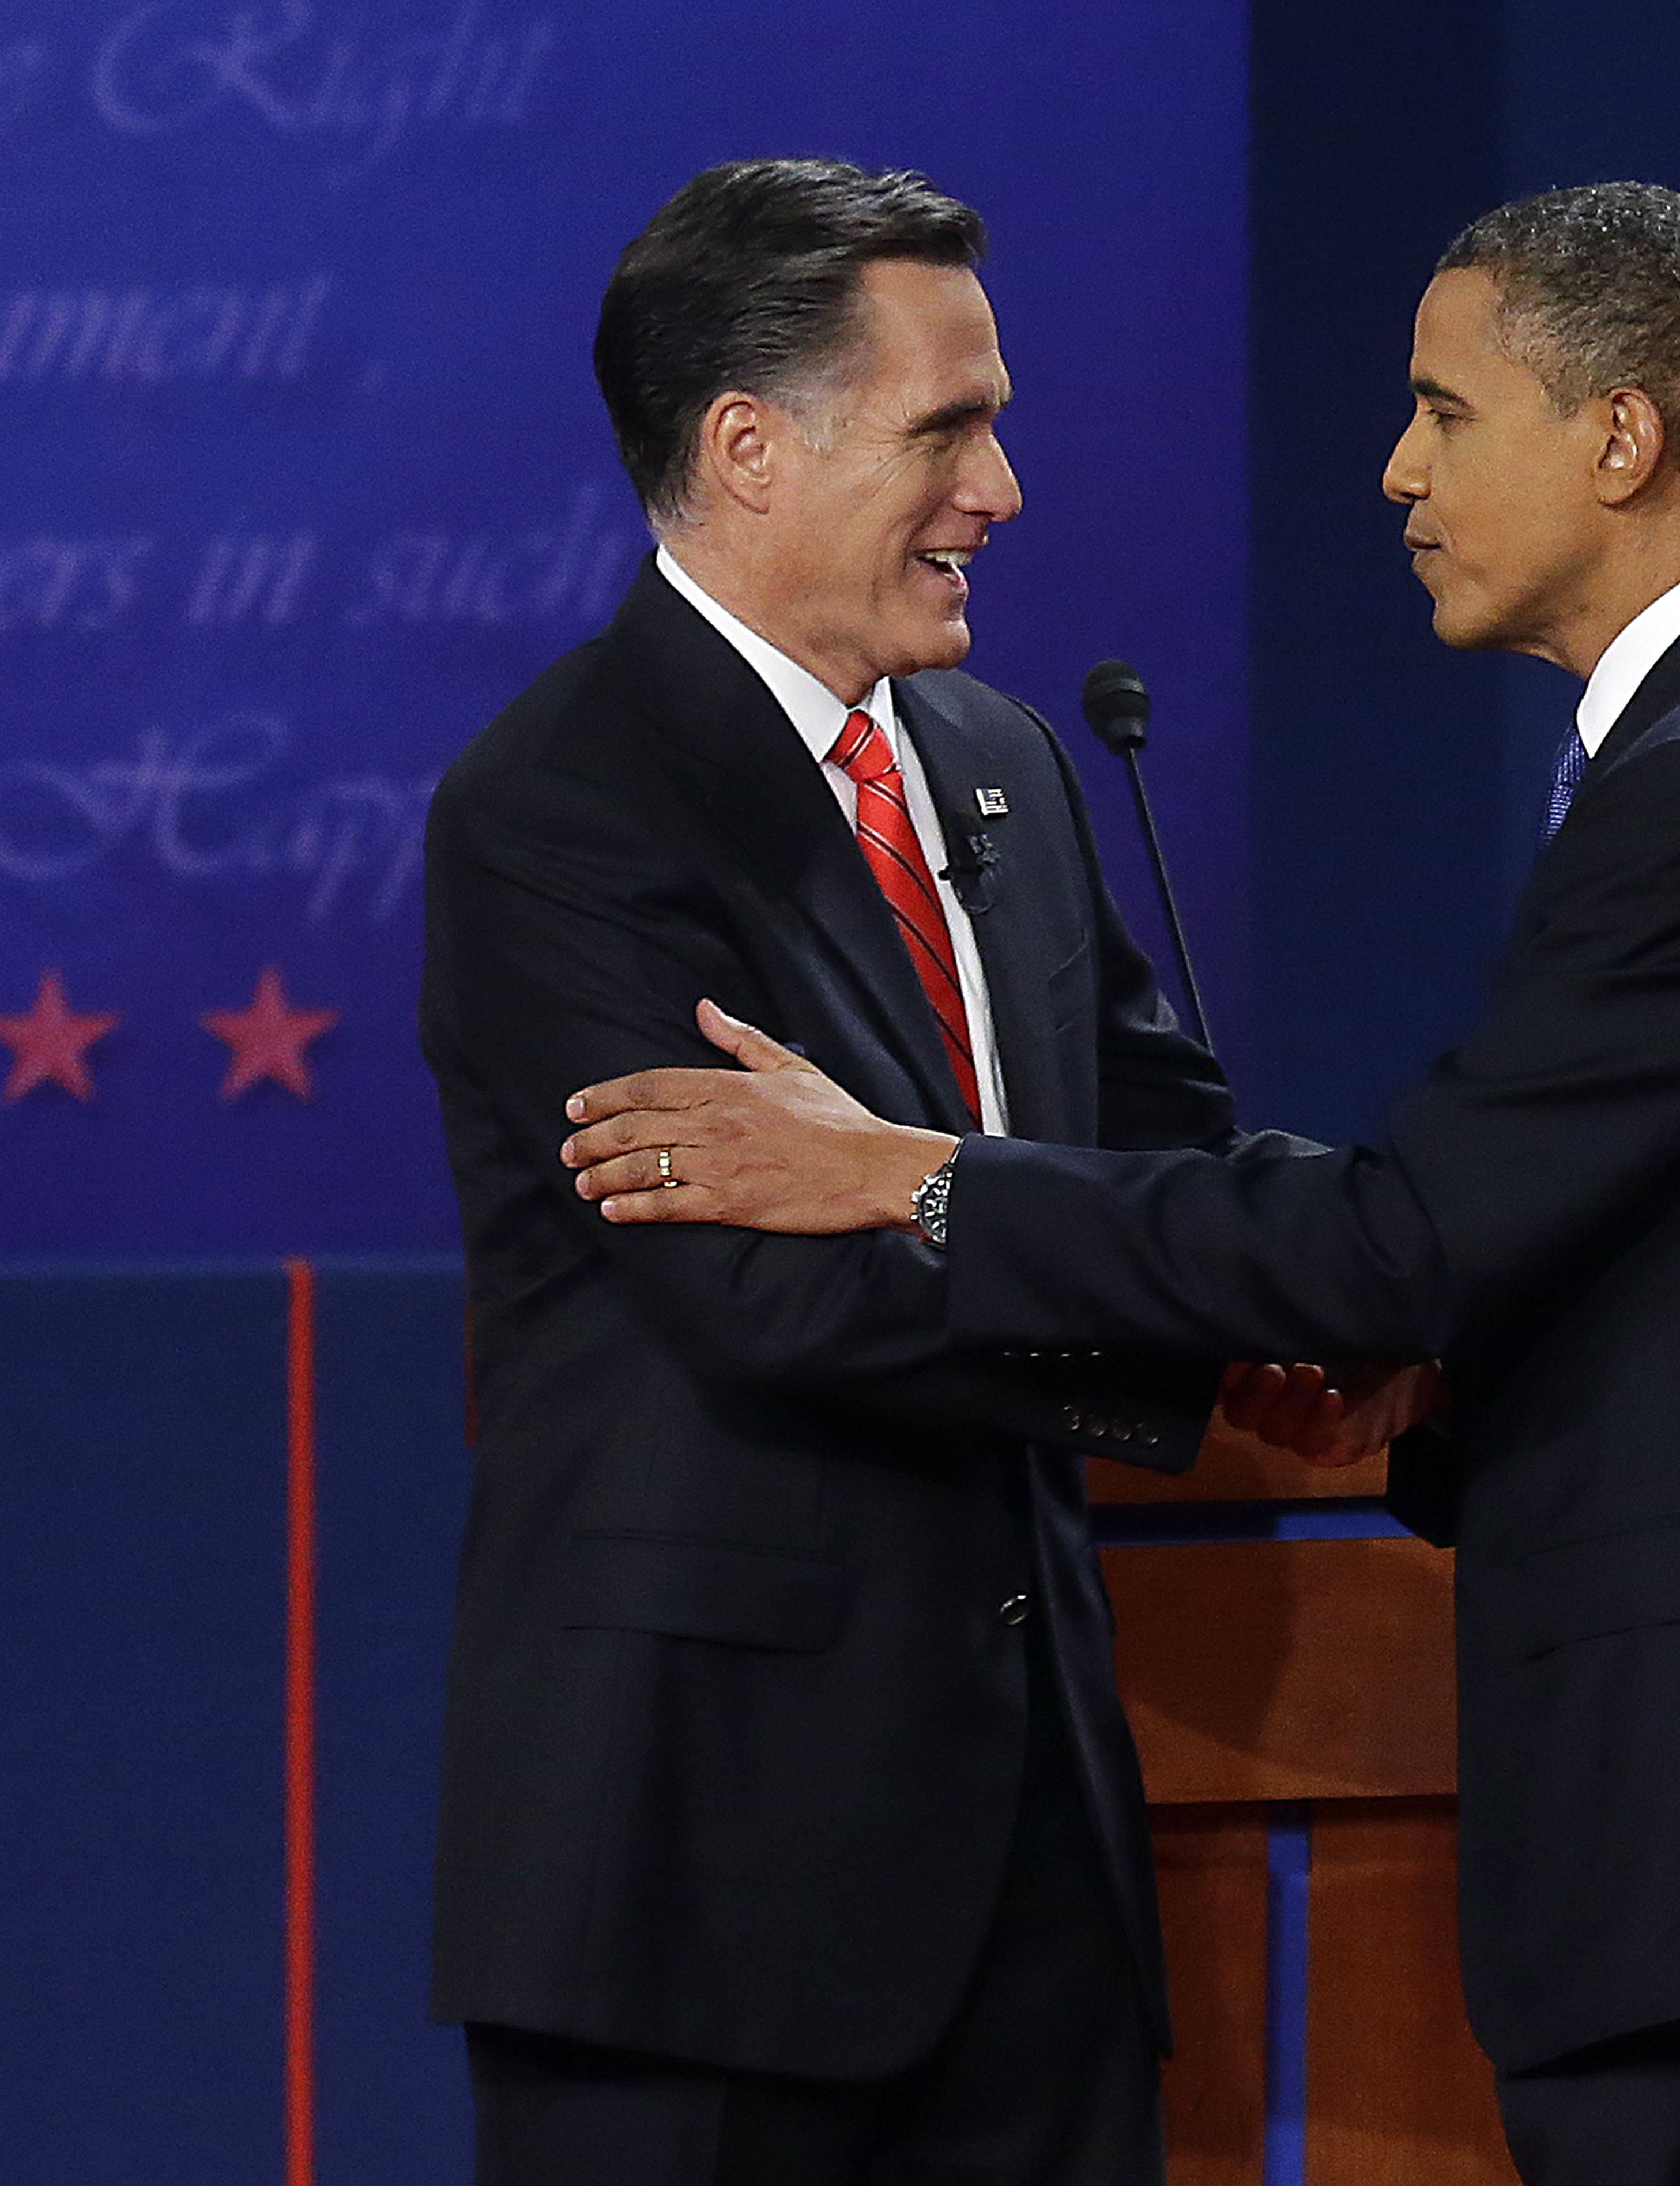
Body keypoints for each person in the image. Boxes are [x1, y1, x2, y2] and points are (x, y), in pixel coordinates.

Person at [558, 182, 1680, 2186]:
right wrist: (1425, 1374)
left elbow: (1408, 1237)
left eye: (1445, 412)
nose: (1395, 468)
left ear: (1619, 437)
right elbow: (1652, 1265)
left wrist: (916, 1180)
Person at [417, 157, 1258, 2186]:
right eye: (945, 430)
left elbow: (1164, 1146)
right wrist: (1192, 1307)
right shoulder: (564, 812)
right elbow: (777, 1291)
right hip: (707, 1896)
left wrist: (1376, 1266)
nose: (1003, 490)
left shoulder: (1002, 762)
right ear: (747, 448)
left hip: (1038, 1874)